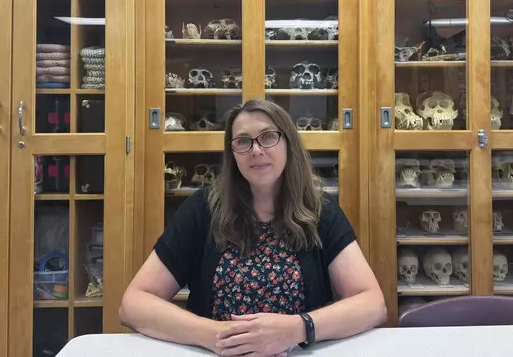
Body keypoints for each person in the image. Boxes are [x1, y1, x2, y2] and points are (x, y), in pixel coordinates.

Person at [119, 99, 387, 356]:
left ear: (288, 143)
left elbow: (372, 304)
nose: (256, 150)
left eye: (268, 137)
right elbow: (134, 305)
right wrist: (216, 335)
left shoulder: (319, 211)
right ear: (232, 153)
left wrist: (299, 328)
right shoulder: (203, 209)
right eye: (243, 142)